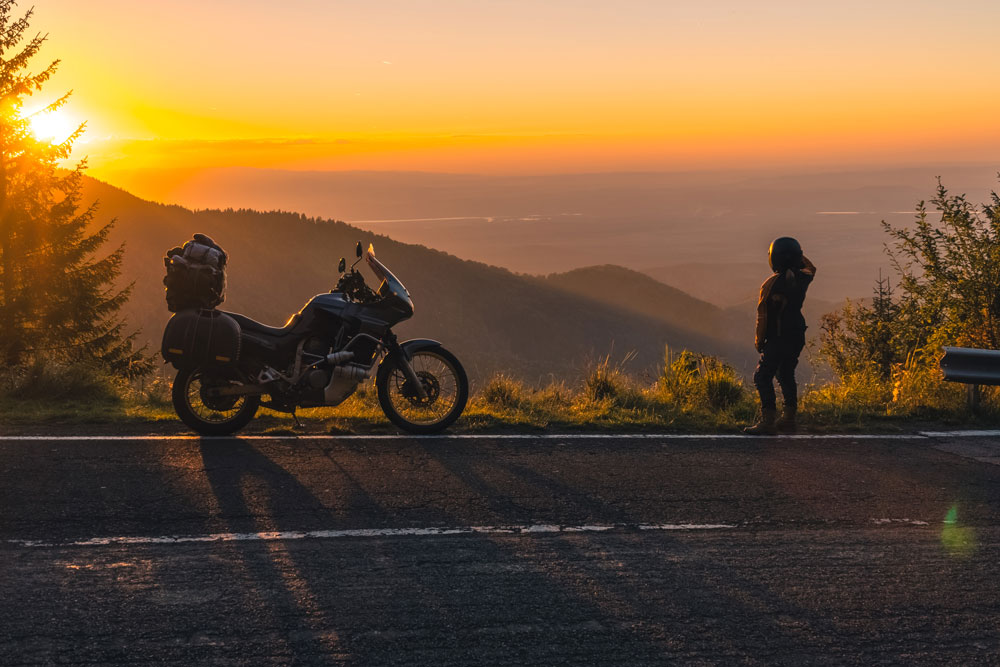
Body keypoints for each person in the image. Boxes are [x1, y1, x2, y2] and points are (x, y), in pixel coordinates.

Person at [744, 237, 816, 434]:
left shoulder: (771, 284)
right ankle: (789, 420)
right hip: (796, 333)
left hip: (778, 336)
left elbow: (763, 315)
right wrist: (798, 256)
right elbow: (812, 268)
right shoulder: (803, 277)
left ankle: (767, 421)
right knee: (785, 374)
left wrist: (759, 340)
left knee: (762, 376)